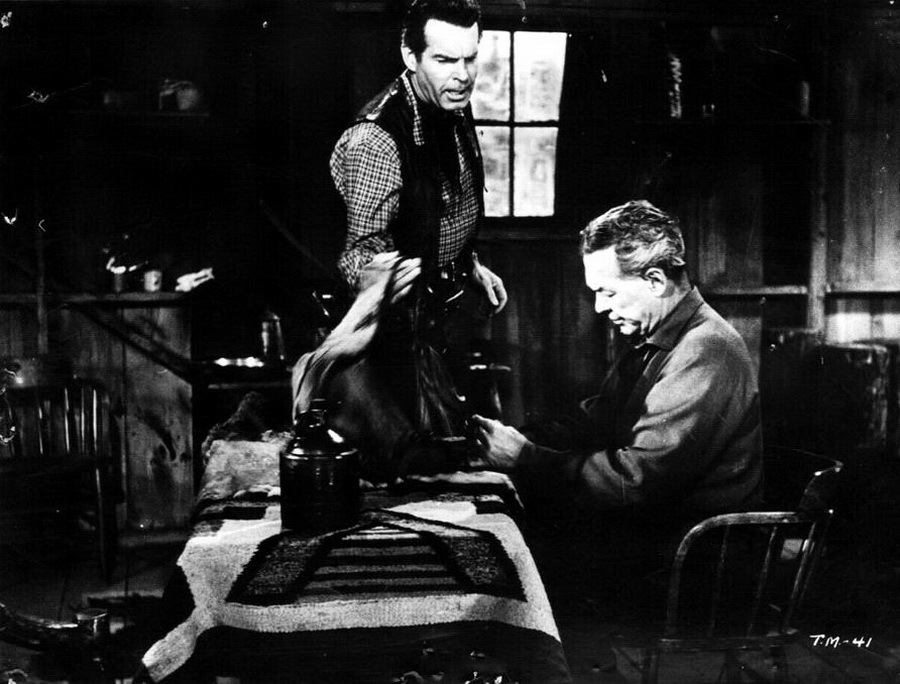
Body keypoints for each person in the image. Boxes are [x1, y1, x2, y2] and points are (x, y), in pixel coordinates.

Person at [471, 199, 763, 531]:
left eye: (607, 293)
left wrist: (524, 456)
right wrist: (510, 440)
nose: (598, 307)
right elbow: (593, 422)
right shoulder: (656, 337)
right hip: (656, 532)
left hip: (691, 548)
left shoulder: (706, 348)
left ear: (655, 281)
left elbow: (636, 481)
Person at [318, 0, 507, 468]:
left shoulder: (450, 104)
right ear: (410, 55)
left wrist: (468, 263)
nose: (462, 75)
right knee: (409, 469)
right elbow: (361, 251)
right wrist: (376, 274)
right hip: (386, 338)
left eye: (470, 58)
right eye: (444, 60)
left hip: (437, 320)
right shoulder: (375, 140)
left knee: (460, 463)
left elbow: (440, 205)